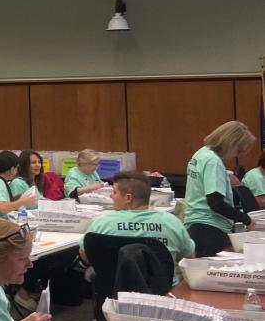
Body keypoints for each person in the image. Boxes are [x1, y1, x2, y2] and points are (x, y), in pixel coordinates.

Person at [81, 171, 194, 285]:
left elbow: (85, 255)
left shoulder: (101, 222)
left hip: (114, 291)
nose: (111, 196)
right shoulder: (172, 222)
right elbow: (189, 258)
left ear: (128, 198)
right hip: (162, 293)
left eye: (114, 192)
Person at [184, 121, 257, 256]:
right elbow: (215, 202)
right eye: (238, 150)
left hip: (196, 224)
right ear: (231, 143)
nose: (237, 155)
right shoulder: (214, 162)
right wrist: (245, 218)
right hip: (209, 228)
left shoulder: (201, 153)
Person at [0, 151, 34, 219]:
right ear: (12, 169)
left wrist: (17, 198)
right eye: (17, 167)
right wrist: (22, 202)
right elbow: (2, 207)